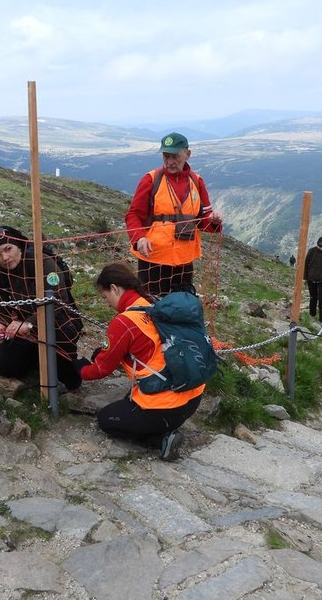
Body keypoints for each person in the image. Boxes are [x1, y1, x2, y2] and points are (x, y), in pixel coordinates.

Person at [75, 262, 205, 461]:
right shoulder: (150, 304)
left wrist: (78, 369)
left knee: (107, 419)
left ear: (114, 289)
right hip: (192, 397)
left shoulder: (124, 321)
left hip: (166, 408)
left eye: (105, 297)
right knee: (130, 401)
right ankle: (162, 426)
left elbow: (101, 369)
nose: (107, 303)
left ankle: (162, 438)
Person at [0, 226, 83, 391]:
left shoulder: (43, 262)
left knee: (71, 381)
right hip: (24, 330)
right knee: (1, 364)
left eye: (8, 249)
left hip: (58, 326)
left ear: (19, 246)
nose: (5, 257)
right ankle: (34, 358)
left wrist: (29, 324)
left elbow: (58, 302)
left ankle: (61, 360)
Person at [125, 132, 222, 296]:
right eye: (166, 156)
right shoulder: (151, 179)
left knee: (181, 306)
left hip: (184, 260)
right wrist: (139, 238)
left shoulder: (197, 181)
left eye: (175, 156)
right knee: (151, 305)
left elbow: (204, 220)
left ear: (187, 154)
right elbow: (133, 215)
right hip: (153, 258)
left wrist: (214, 220)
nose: (169, 162)